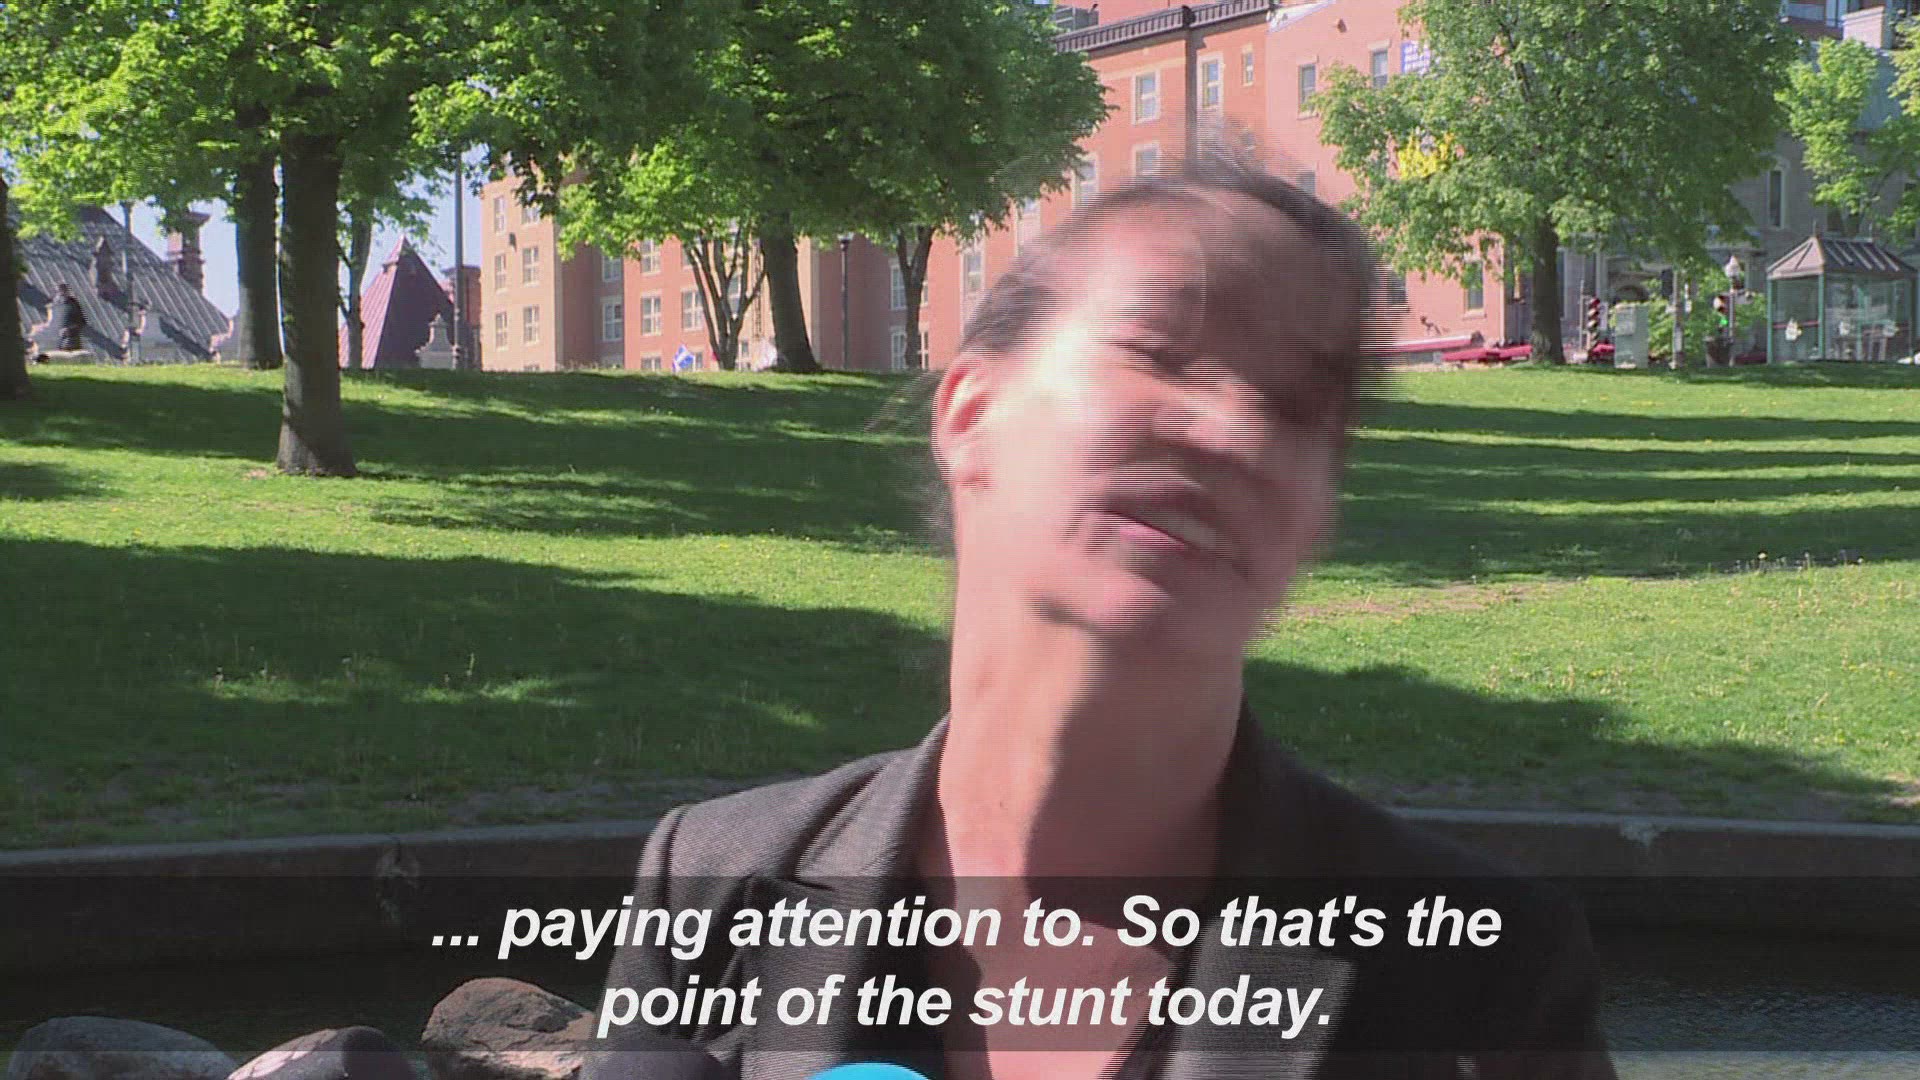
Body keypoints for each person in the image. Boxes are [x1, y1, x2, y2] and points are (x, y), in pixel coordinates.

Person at [596, 147, 1616, 1080]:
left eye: (1298, 408)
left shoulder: (1484, 979)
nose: (1232, 431)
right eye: (1162, 350)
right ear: (970, 413)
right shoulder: (715, 883)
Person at [55, 283, 88, 353]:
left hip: (72, 338)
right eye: (58, 292)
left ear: (67, 291)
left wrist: (69, 329)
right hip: (59, 338)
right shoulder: (57, 304)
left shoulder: (73, 304)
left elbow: (81, 321)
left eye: (63, 291)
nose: (61, 294)